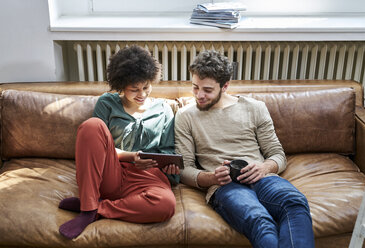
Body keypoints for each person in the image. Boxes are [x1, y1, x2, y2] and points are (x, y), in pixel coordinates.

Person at [174, 50, 315, 247]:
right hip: (224, 186)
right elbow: (183, 169)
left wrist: (265, 167)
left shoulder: (254, 107)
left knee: (295, 202)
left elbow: (277, 154)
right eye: (195, 87)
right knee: (259, 220)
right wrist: (211, 178)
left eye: (207, 90)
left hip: (262, 178)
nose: (199, 95)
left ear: (225, 86)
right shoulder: (185, 116)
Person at [58, 45, 180, 239]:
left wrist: (169, 165)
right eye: (134, 89)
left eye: (146, 87)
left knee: (166, 205)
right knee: (92, 126)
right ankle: (87, 210)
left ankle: (96, 208)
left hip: (147, 177)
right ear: (121, 86)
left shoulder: (163, 109)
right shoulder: (107, 103)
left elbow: (166, 150)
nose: (142, 94)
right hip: (111, 172)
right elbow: (97, 145)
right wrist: (130, 156)